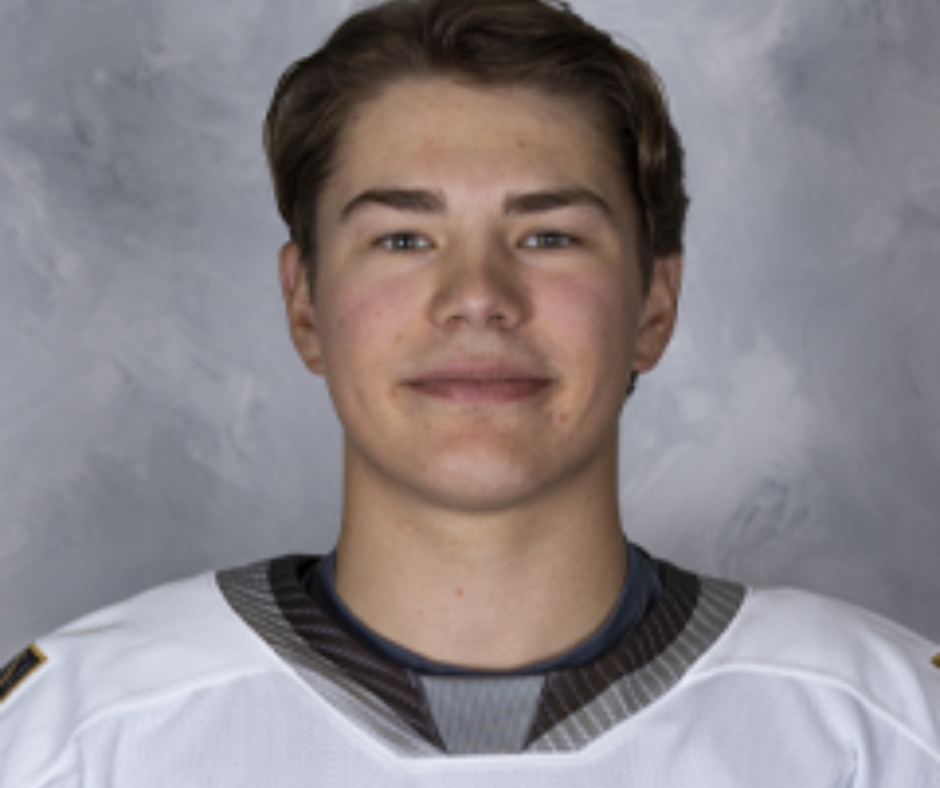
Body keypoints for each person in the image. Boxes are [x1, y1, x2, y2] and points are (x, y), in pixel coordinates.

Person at [2, 0, 939, 784]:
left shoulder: (884, 732)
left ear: (654, 304)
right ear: (306, 305)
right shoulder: (79, 739)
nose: (479, 296)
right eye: (403, 239)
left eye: (549, 236)